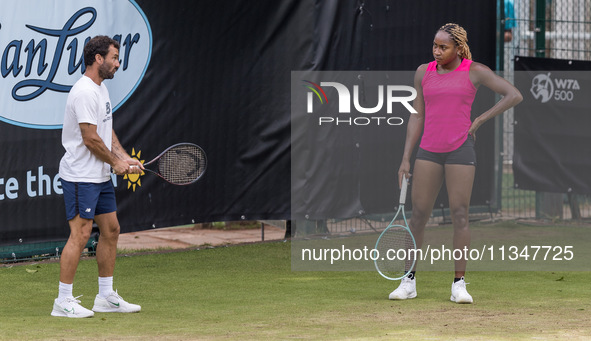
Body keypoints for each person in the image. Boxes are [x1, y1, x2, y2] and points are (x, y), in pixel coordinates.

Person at [389, 23, 522, 304]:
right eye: (434, 46)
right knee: (417, 217)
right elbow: (416, 116)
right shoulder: (423, 72)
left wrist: (481, 119)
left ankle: (458, 285)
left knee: (460, 214)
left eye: (443, 47)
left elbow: (513, 95)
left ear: (458, 48)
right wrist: (405, 159)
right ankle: (408, 281)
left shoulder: (474, 71)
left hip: (461, 150)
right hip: (428, 151)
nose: (436, 51)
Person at [52, 35, 145, 318]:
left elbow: (106, 131)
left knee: (112, 230)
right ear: (98, 59)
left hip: (100, 175)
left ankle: (105, 296)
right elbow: (90, 139)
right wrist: (116, 163)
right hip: (81, 176)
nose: (118, 63)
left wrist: (123, 156)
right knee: (80, 235)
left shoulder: (101, 89)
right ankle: (63, 301)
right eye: (115, 58)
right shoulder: (84, 92)